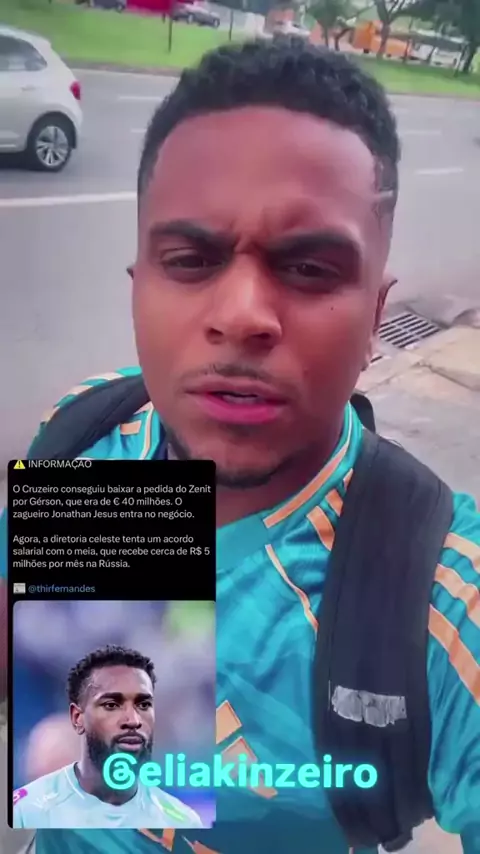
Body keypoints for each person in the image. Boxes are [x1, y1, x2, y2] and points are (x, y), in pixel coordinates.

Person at [0, 36, 479, 854]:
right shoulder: (95, 437)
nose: (242, 315)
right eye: (191, 260)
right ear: (139, 287)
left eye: (310, 269)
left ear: (375, 314)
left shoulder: (433, 598)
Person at [13, 646, 203, 830]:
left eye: (143, 705)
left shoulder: (176, 822)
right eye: (111, 705)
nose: (132, 720)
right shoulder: (21, 813)